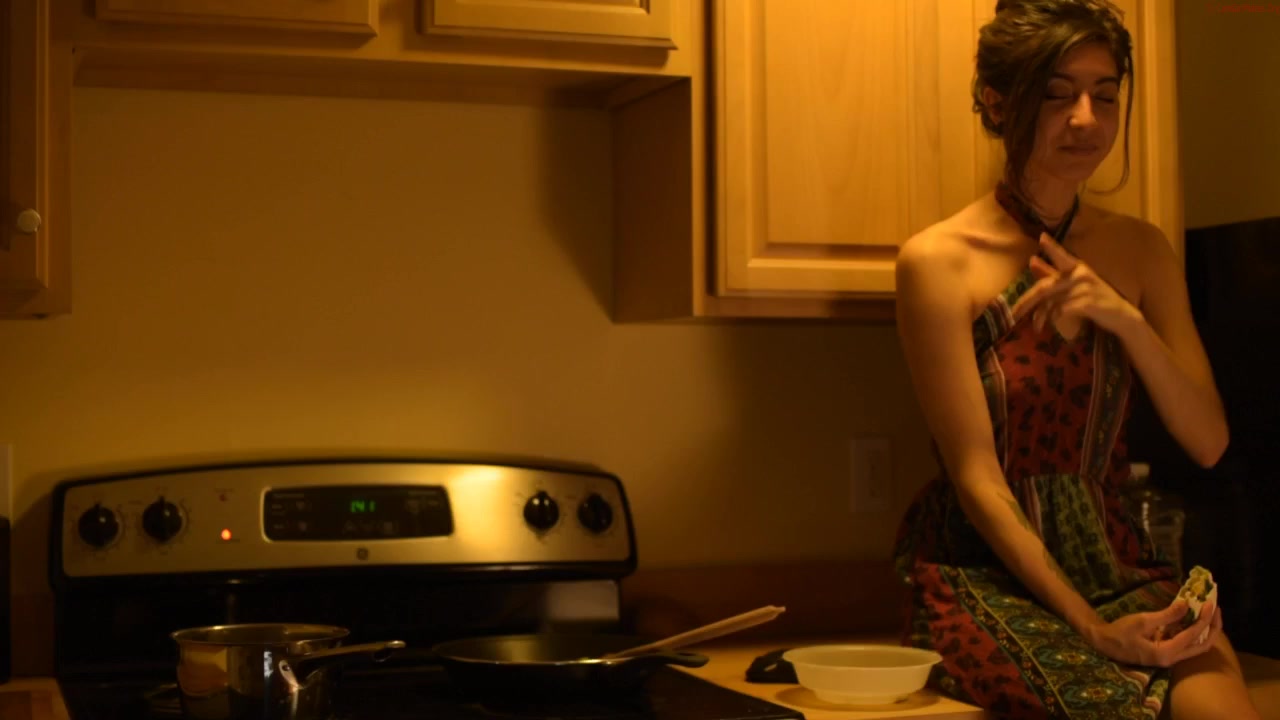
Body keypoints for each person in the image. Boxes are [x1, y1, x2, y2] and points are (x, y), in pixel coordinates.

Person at [891, 1, 1262, 718]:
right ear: (998, 103)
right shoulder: (937, 262)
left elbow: (1209, 442)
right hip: (985, 568)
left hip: (1115, 554)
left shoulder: (1142, 249)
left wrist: (1124, 319)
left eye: (1105, 95)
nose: (1086, 119)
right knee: (1108, 707)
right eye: (1057, 94)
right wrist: (1091, 628)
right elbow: (976, 477)